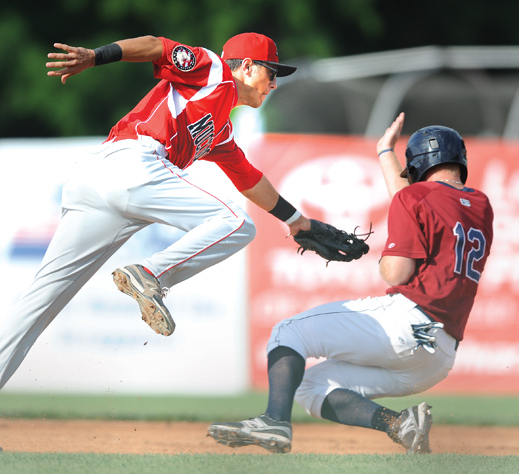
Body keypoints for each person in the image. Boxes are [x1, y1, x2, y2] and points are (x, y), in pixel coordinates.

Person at [0, 32, 311, 452]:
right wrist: (94, 57)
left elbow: (248, 178)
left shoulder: (220, 127)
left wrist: (298, 221)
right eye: (271, 71)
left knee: (42, 298)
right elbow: (157, 45)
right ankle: (151, 274)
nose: (274, 82)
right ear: (245, 65)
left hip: (96, 180)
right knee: (236, 224)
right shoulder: (213, 69)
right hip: (132, 164)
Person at [208, 112, 494, 454]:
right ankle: (399, 424)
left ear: (418, 165)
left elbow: (396, 272)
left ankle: (273, 420)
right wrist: (385, 153)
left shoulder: (412, 199)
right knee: (311, 386)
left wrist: (382, 256)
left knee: (287, 332)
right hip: (438, 358)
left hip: (406, 323)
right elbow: (418, 201)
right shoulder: (481, 206)